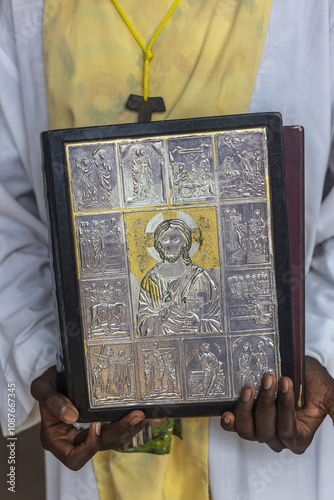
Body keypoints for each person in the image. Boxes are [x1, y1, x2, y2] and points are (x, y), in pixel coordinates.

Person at [1, 1, 334, 499]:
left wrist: (311, 349)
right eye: (166, 237)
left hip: (255, 445)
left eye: (181, 236)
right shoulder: (22, 9)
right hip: (104, 441)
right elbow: (12, 216)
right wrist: (49, 359)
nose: (174, 241)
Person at [137, 218, 221, 336]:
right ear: (158, 244)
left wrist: (197, 322)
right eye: (164, 240)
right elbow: (141, 323)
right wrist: (158, 319)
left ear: (185, 243)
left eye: (175, 239)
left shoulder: (198, 277)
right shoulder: (150, 280)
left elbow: (215, 320)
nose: (169, 245)